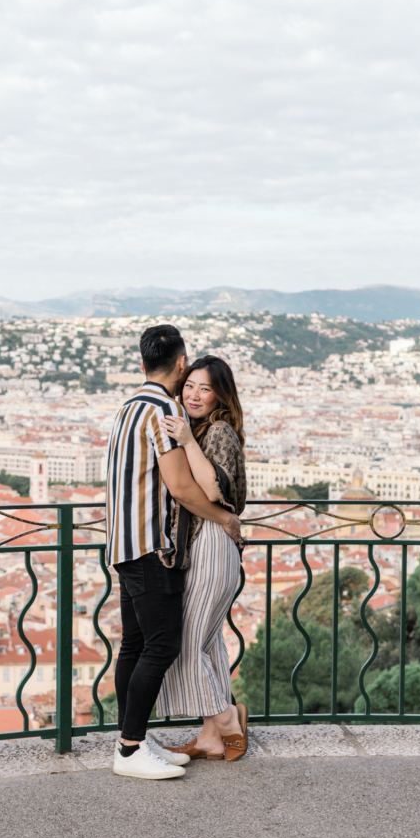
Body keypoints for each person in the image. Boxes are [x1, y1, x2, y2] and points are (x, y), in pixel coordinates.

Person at [104, 325, 244, 780]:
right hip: (152, 546)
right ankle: (129, 750)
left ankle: (137, 739)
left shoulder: (128, 407)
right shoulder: (163, 408)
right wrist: (224, 518)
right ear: (181, 364)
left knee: (135, 644)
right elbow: (182, 488)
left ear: (143, 362)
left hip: (122, 543)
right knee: (162, 645)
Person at [155, 356, 249, 760]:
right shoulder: (196, 427)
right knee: (207, 644)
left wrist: (189, 442)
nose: (194, 394)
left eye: (204, 388)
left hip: (213, 540)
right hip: (204, 543)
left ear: (219, 395)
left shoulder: (219, 431)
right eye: (190, 385)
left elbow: (214, 490)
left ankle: (227, 719)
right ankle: (211, 736)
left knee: (188, 641)